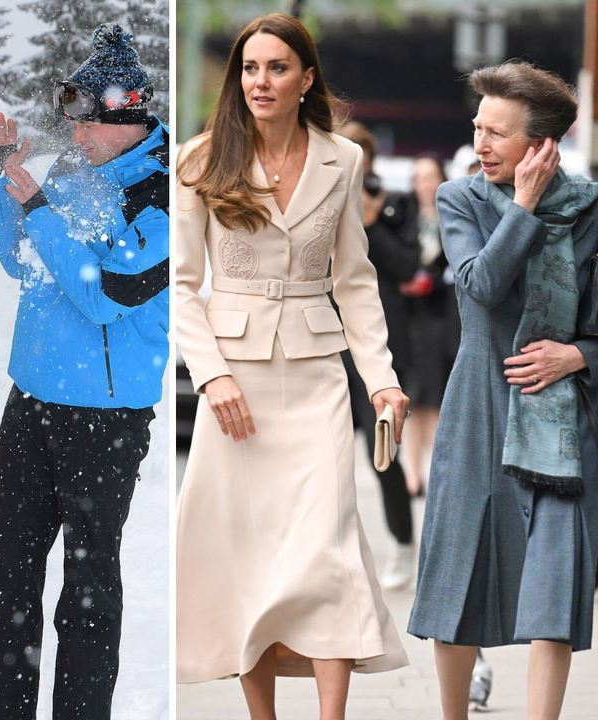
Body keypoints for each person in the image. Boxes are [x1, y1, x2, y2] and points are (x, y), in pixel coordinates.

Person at [175, 13, 410, 719]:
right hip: (235, 386)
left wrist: (383, 380)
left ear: (306, 78)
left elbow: (356, 281)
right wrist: (210, 375)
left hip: (315, 381)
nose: (261, 81)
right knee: (251, 561)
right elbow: (182, 288)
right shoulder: (198, 159)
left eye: (277, 68)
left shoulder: (343, 159)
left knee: (327, 549)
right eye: (250, 68)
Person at [0, 23, 169, 720]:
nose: (74, 135)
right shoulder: (68, 173)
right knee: (5, 576)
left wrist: (36, 209)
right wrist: (1, 179)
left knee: (86, 589)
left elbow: (104, 295)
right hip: (31, 400)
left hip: (105, 419)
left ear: (124, 118)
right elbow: (21, 259)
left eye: (84, 123)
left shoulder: (161, 199)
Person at [408, 60, 598, 720]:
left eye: (497, 132)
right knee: (457, 584)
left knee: (555, 586)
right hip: (479, 413)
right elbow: (481, 288)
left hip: (560, 426)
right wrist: (521, 206)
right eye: (477, 127)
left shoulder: (589, 212)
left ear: (541, 145)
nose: (479, 143)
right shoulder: (461, 200)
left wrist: (576, 354)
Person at [337, 120, 422, 589]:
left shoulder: (394, 203)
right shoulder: (319, 196)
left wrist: (370, 221)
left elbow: (406, 266)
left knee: (381, 449)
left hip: (384, 343)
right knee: (325, 453)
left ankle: (403, 544)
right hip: (330, 342)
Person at [399, 154, 460, 498]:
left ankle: (435, 471)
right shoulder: (403, 216)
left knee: (437, 398)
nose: (425, 183)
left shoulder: (453, 215)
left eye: (431, 176)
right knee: (413, 398)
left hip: (443, 316)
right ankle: (412, 473)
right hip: (411, 318)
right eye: (419, 177)